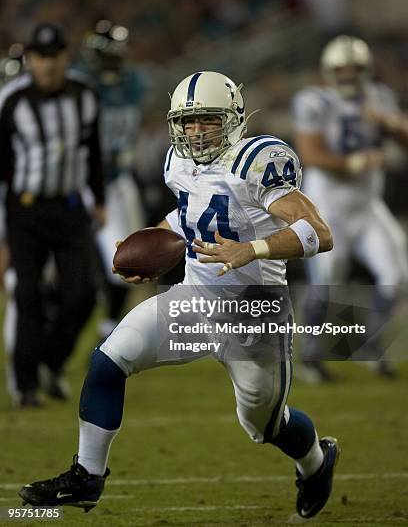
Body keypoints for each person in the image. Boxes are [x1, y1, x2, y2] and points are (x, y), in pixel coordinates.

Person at [19, 71, 339, 520]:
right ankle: (87, 477)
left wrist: (252, 249)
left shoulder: (255, 160)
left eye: (207, 120)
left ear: (233, 119)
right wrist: (150, 245)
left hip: (254, 315)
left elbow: (318, 233)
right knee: (109, 360)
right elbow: (191, 211)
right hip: (195, 298)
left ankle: (316, 464)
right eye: (187, 122)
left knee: (265, 424)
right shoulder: (179, 162)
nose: (195, 131)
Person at [0, 23, 106, 407]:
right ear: (29, 59)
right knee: (27, 294)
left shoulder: (85, 96)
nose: (47, 65)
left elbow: (92, 150)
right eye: (40, 57)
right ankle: (26, 385)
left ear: (66, 56)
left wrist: (100, 198)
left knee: (84, 294)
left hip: (69, 206)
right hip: (24, 210)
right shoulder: (11, 101)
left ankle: (52, 362)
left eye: (54, 55)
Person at [292, 35, 408, 382]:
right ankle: (311, 355)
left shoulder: (381, 98)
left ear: (366, 69)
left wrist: (389, 123)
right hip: (327, 207)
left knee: (397, 276)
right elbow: (309, 154)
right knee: (327, 281)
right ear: (328, 72)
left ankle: (370, 347)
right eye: (340, 70)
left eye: (354, 69)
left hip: (367, 205)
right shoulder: (314, 101)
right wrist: (354, 163)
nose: (347, 76)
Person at [75, 20, 147, 338]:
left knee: (134, 259)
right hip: (87, 181)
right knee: (118, 261)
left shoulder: (132, 82)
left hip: (120, 179)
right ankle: (104, 324)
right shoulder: (80, 85)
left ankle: (109, 324)